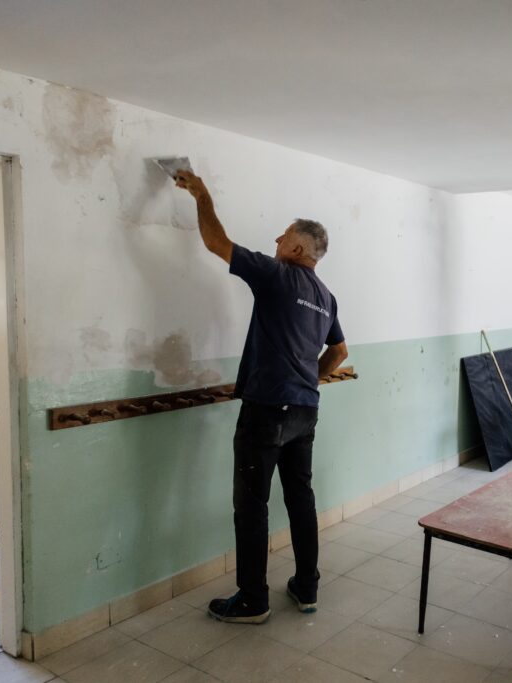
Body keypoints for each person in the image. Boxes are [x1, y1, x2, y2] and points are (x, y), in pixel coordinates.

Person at [175, 169, 348, 624]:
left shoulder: (277, 275)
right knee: (301, 498)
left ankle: (253, 600)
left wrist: (202, 194)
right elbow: (340, 351)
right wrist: (308, 379)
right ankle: (306, 587)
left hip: (268, 410)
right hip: (304, 411)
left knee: (252, 505)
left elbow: (216, 243)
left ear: (297, 249)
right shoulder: (326, 297)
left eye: (283, 235)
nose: (276, 239)